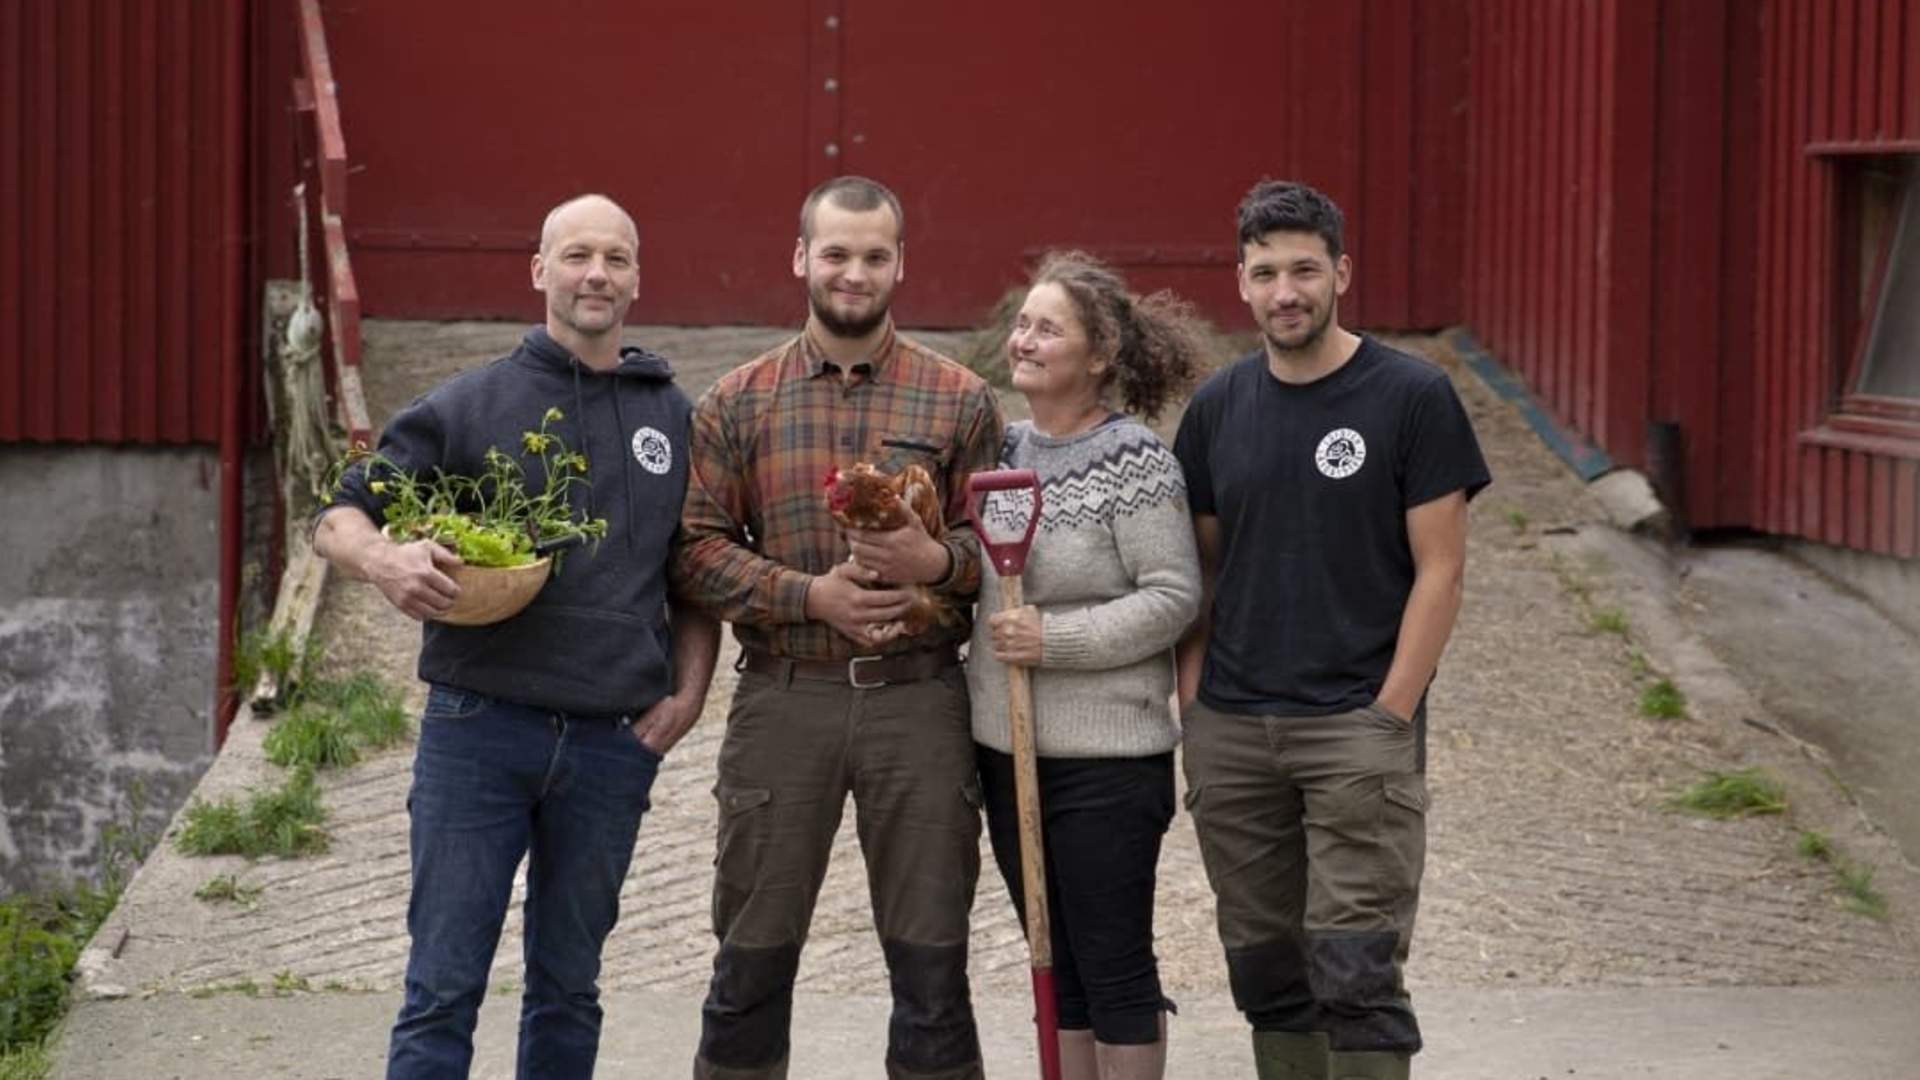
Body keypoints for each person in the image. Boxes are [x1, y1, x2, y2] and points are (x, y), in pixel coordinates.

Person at [315, 193, 721, 1080]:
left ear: (638, 279)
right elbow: (340, 517)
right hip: (478, 732)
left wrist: (689, 696)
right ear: (539, 270)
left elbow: (695, 573)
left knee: (570, 989)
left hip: (611, 747)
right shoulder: (469, 405)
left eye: (616, 259)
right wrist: (386, 561)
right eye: (577, 255)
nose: (596, 275)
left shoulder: (675, 420)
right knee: (441, 988)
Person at [673, 176, 1004, 1080]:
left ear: (900, 263)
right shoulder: (739, 402)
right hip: (787, 702)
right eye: (835, 254)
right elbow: (694, 550)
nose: (853, 273)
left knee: (933, 966)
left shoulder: (962, 400)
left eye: (873, 256)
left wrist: (937, 566)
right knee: (750, 957)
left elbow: (1004, 550)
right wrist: (806, 595)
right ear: (800, 260)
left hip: (920, 704)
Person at [1172, 181, 1490, 1080]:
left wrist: (1391, 714)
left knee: (1357, 974)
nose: (1286, 291)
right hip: (1233, 732)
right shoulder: (1218, 409)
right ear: (1240, 282)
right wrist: (1195, 701)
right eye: (1265, 272)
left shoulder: (1412, 397)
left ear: (1341, 272)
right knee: (1267, 970)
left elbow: (1443, 570)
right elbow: (1199, 571)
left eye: (1304, 269)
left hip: (1356, 727)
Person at [967, 252, 1204, 1080]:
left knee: (1113, 968)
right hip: (1007, 749)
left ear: (1099, 355)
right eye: (1021, 323)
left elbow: (1174, 597)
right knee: (1054, 964)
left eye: (1047, 328)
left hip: (1108, 762)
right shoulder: (997, 450)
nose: (1023, 340)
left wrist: (1053, 641)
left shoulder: (1133, 461)